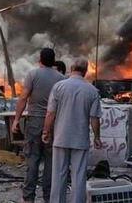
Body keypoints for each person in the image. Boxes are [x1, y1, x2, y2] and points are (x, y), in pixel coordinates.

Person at [42, 58, 102, 203]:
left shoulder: (58, 87)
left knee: (58, 175)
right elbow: (94, 118)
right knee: (79, 176)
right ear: (86, 71)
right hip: (80, 139)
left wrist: (46, 131)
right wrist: (97, 137)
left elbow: (51, 113)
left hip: (61, 137)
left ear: (71, 68)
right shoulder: (92, 91)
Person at [12, 48, 65, 203]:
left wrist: (16, 119)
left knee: (32, 159)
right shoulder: (62, 79)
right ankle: (49, 197)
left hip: (34, 121)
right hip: (54, 123)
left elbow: (23, 98)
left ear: (40, 60)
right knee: (51, 161)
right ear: (53, 61)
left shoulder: (32, 75)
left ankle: (28, 198)